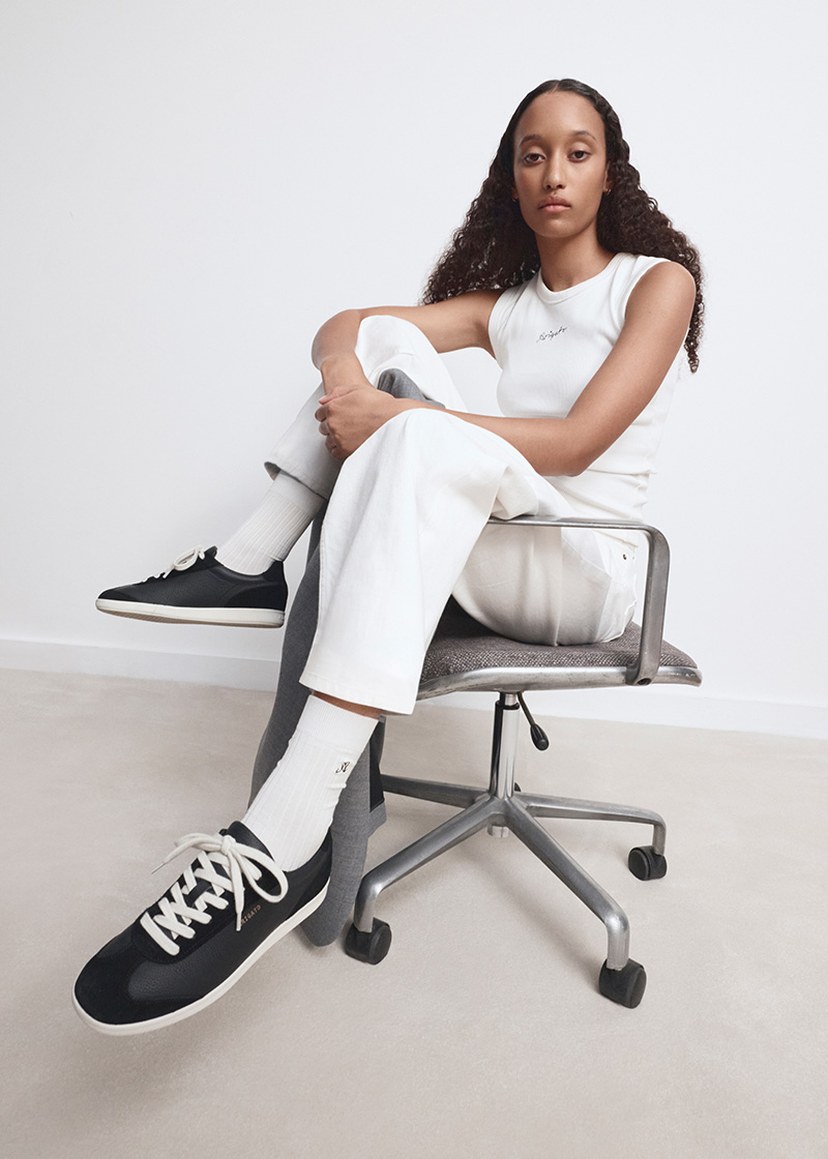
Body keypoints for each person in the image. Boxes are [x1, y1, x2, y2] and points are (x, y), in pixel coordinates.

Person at [73, 78, 703, 1035]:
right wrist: (351, 384)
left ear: (610, 168)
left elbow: (576, 445)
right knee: (390, 348)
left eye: (578, 150)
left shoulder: (655, 282)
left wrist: (401, 420)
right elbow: (346, 329)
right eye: (533, 153)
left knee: (413, 431)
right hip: (495, 548)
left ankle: (284, 837)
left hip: (583, 568)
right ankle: (254, 562)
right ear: (511, 175)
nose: (555, 172)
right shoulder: (507, 307)